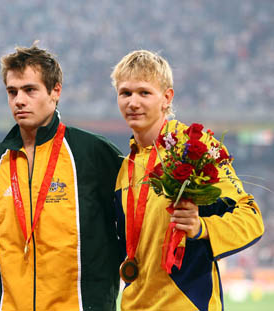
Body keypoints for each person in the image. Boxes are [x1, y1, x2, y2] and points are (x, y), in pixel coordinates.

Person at [111, 49, 264, 310]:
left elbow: (251, 219)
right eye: (125, 93)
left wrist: (202, 228)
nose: (133, 102)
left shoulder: (196, 148)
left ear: (166, 98)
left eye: (144, 92)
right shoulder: (125, 168)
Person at [0, 44, 123, 311]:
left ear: (55, 91)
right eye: (12, 92)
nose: (19, 100)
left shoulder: (93, 152)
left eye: (30, 90)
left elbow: (134, 222)